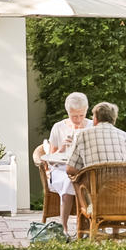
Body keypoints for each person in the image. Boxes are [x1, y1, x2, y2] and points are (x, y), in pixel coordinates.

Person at [32, 92, 91, 232]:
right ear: (67, 112)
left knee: (90, 180)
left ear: (86, 110)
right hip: (61, 169)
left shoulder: (91, 126)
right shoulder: (58, 127)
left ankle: (89, 225)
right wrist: (63, 147)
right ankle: (64, 227)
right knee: (68, 181)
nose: (78, 120)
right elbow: (51, 159)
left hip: (85, 168)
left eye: (81, 115)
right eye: (74, 116)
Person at [66, 102, 126, 175]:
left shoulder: (83, 135)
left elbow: (70, 169)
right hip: (125, 188)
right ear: (113, 120)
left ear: (95, 119)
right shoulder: (125, 136)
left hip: (95, 188)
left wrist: (86, 173)